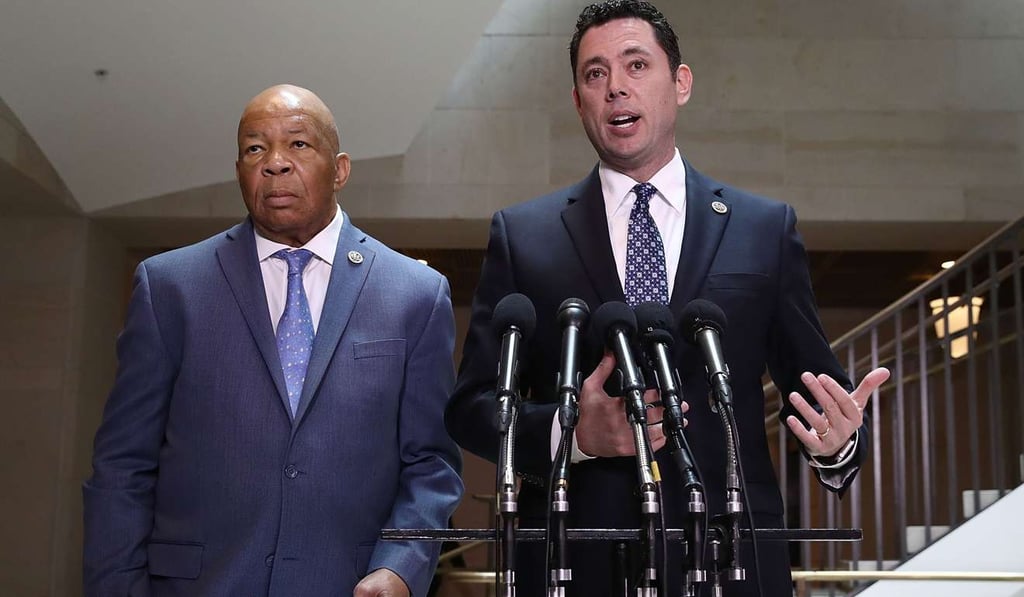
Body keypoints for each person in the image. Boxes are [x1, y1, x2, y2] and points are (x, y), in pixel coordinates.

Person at [446, 2, 889, 596]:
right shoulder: (525, 237)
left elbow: (817, 396)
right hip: (577, 565)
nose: (616, 89)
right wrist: (573, 434)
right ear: (578, 101)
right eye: (595, 74)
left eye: (636, 65)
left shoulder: (763, 228)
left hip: (730, 558)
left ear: (680, 83)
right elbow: (473, 408)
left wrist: (838, 445)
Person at [83, 84, 463, 597]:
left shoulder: (414, 294)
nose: (275, 164)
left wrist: (400, 567)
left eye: (299, 145)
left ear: (341, 169)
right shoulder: (170, 287)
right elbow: (124, 465)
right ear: (239, 169)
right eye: (255, 148)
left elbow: (431, 465)